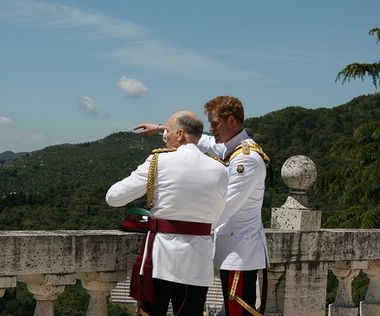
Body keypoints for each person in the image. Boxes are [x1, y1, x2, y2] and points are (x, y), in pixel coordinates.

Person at [134, 96, 270, 316]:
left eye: (215, 123)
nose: (211, 128)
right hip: (231, 248)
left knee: (239, 312)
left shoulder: (247, 159)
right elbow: (201, 141)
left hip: (240, 252)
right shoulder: (232, 147)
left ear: (232, 121)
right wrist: (164, 128)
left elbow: (224, 208)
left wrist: (190, 226)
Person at [106, 111, 229, 316]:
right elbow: (218, 217)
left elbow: (114, 197)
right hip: (198, 263)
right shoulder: (220, 169)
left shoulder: (158, 161)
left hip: (160, 260)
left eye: (167, 131)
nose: (165, 136)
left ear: (180, 134)